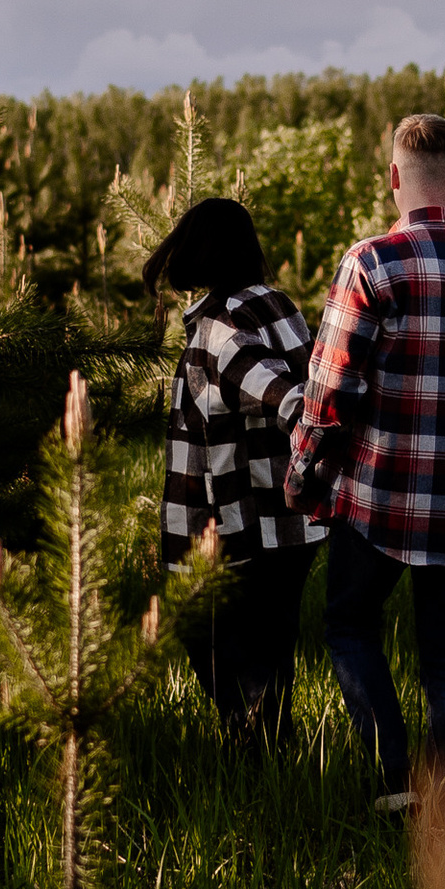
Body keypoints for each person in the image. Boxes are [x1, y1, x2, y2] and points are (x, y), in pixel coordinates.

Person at [287, 112, 445, 818]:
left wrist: (301, 477)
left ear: (394, 178)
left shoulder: (372, 262)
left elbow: (329, 394)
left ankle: (392, 779)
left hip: (382, 498)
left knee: (350, 627)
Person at [146, 193, 323, 746]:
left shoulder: (222, 328)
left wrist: (307, 426)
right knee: (271, 656)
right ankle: (276, 761)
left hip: (237, 528)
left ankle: (258, 763)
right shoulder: (277, 303)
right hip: (294, 525)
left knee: (216, 642)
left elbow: (290, 396)